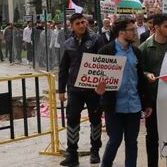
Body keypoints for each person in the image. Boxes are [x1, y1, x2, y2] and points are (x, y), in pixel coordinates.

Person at [96, 18, 150, 167]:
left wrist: (147, 104)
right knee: (114, 140)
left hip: (134, 105)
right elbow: (96, 79)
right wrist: (99, 90)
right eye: (131, 30)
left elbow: (141, 79)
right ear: (121, 33)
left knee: (132, 142)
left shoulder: (136, 52)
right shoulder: (106, 51)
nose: (135, 32)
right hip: (114, 107)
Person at [57, 13, 103, 166]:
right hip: (74, 89)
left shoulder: (96, 39)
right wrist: (61, 90)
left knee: (95, 120)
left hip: (93, 89)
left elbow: (104, 62)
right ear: (72, 26)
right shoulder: (68, 43)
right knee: (72, 120)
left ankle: (95, 151)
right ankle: (72, 154)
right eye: (78, 23)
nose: (82, 25)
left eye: (83, 22)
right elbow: (63, 69)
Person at [140, 13, 167, 167]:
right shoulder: (144, 48)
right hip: (153, 100)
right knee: (152, 137)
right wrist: (145, 74)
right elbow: (137, 70)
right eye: (166, 26)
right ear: (156, 27)